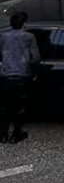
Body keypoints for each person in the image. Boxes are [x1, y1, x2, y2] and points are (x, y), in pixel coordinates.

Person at [0, 12, 40, 144]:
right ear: (24, 24)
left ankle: (3, 134)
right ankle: (16, 134)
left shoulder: (4, 36)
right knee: (19, 107)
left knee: (5, 106)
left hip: (6, 76)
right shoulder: (29, 37)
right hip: (22, 76)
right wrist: (34, 74)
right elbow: (35, 58)